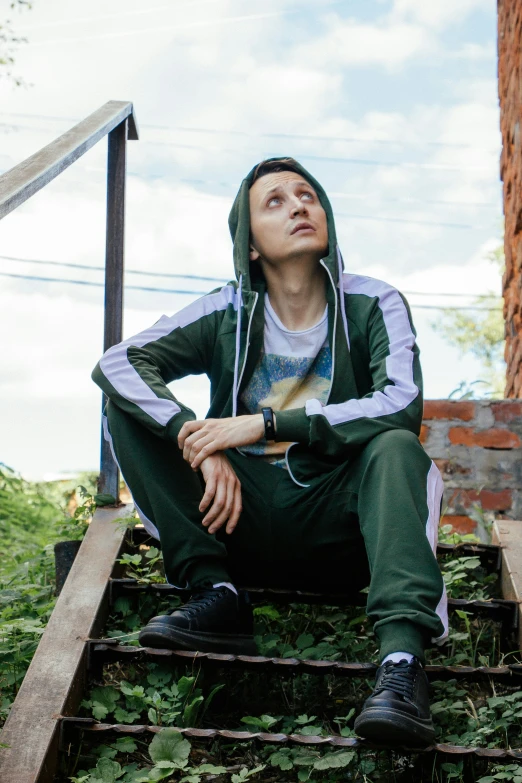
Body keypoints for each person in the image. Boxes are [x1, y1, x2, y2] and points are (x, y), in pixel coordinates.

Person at [91, 157, 448, 746]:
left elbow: (402, 402)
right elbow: (119, 363)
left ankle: (402, 667)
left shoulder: (373, 302)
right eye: (275, 201)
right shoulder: (226, 309)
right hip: (236, 517)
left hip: (338, 523)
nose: (299, 206)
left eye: (308, 195)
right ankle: (216, 593)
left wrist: (262, 423)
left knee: (395, 448)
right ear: (250, 243)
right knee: (126, 407)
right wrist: (197, 440)